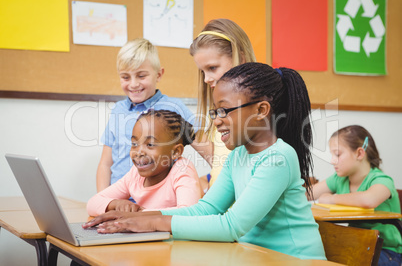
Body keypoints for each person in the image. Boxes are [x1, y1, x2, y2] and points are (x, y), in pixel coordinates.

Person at [83, 62, 326, 260]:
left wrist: (154, 222)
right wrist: (137, 218)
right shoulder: (238, 156)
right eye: (215, 112)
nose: (217, 121)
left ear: (261, 110)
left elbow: (231, 225)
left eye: (224, 110)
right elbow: (206, 209)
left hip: (294, 260)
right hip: (256, 257)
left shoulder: (278, 158)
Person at [97, 38, 211, 192]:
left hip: (159, 198)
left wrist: (215, 179)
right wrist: (103, 199)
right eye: (125, 77)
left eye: (141, 76)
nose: (133, 84)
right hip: (120, 196)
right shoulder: (118, 110)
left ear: (158, 75)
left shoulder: (174, 107)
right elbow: (105, 163)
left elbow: (208, 150)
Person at [311, 125, 402, 265]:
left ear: (359, 154)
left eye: (337, 154)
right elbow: (309, 193)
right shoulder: (339, 179)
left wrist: (331, 199)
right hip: (354, 248)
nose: (332, 161)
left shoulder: (382, 180)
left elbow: (369, 200)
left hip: (387, 252)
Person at [88, 109, 202, 216]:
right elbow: (92, 203)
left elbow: (189, 213)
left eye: (150, 144)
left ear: (176, 152)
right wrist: (116, 204)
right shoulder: (135, 175)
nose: (139, 152)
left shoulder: (182, 170)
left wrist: (141, 214)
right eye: (134, 144)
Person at [189, 18, 257, 189]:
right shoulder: (220, 115)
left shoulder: (257, 116)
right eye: (202, 71)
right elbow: (222, 166)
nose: (206, 79)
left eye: (212, 68)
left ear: (240, 59)